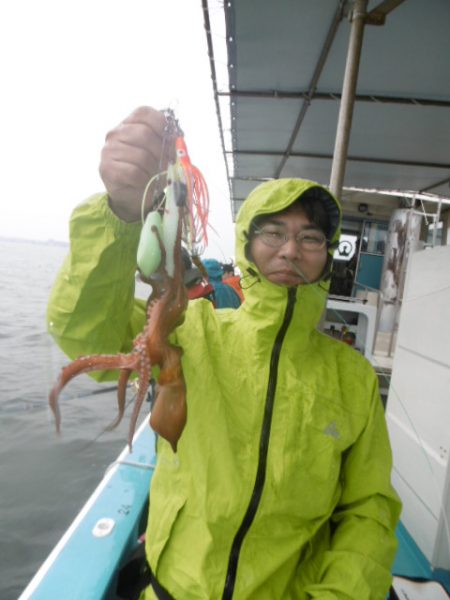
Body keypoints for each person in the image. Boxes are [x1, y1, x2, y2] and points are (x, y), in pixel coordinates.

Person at [47, 106, 401, 599]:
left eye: (311, 238)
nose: (290, 251)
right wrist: (121, 213)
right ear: (247, 245)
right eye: (273, 233)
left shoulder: (354, 379)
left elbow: (368, 511)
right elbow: (86, 333)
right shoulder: (195, 332)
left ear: (327, 256)